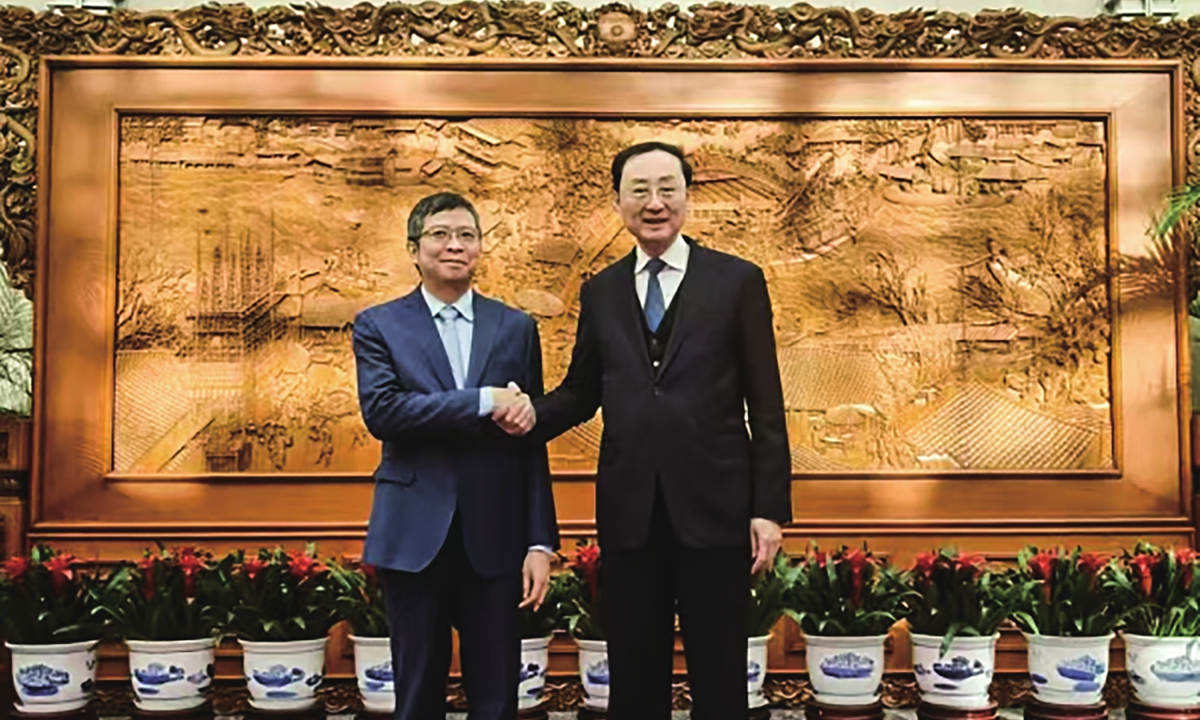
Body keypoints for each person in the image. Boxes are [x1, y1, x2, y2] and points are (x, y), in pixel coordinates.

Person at [496, 141, 793, 720]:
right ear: (618, 202)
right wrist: (528, 413)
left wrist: (769, 508)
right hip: (631, 513)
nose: (654, 203)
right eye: (639, 190)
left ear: (686, 197)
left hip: (718, 509)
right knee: (633, 675)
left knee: (720, 672)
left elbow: (768, 401)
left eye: (667, 189)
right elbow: (583, 393)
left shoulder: (736, 281)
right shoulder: (601, 290)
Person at [354, 191, 558, 720]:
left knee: (496, 698)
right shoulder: (379, 325)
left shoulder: (516, 327)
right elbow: (386, 414)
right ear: (414, 249)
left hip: (496, 533)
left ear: (480, 248)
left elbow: (530, 441)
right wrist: (484, 400)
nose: (455, 245)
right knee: (417, 695)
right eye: (441, 235)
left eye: (467, 235)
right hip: (412, 533)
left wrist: (540, 540)